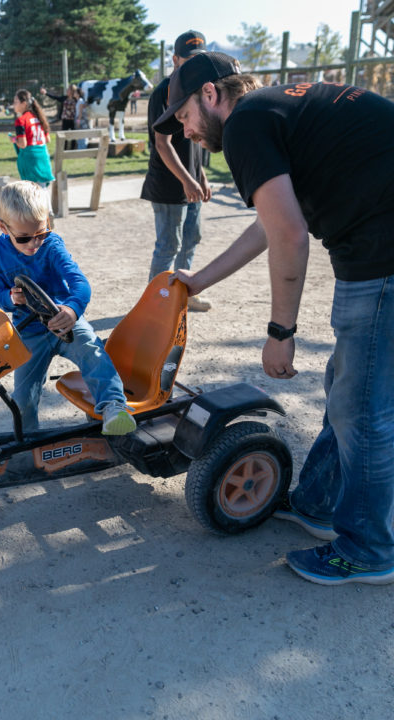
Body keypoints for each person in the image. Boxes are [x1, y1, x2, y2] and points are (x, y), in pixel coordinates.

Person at [154, 51, 394, 585]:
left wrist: (280, 332)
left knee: (365, 411)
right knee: (351, 389)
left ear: (211, 95)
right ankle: (317, 503)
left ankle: (369, 549)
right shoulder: (271, 113)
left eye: (185, 116)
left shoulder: (244, 126)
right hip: (377, 243)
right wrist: (198, 280)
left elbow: (288, 233)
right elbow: (273, 223)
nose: (186, 131)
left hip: (383, 254)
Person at [0, 180, 136, 436]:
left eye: (41, 233)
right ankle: (28, 439)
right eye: (24, 238)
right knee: (23, 394)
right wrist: (11, 298)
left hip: (65, 320)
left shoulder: (53, 245)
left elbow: (81, 284)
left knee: (92, 350)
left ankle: (113, 406)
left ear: (48, 222)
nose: (34, 244)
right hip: (30, 331)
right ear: (3, 227)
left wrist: (72, 310)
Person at [142, 30, 212, 312]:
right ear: (175, 59)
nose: (194, 65)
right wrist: (187, 179)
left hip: (191, 180)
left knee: (192, 237)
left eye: (199, 60)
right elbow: (163, 143)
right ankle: (153, 304)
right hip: (170, 185)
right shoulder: (164, 92)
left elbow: (193, 142)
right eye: (188, 60)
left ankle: (184, 293)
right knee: (169, 245)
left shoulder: (197, 89)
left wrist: (201, 175)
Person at [9, 89, 54, 188]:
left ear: (24, 103)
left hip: (30, 162)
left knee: (32, 194)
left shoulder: (21, 120)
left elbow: (23, 144)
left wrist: (13, 139)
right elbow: (47, 139)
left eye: (16, 102)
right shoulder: (39, 117)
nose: (13, 104)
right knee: (43, 193)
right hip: (43, 158)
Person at [40, 84, 78, 149]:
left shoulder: (76, 99)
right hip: (65, 119)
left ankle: (73, 148)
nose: (67, 90)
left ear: (72, 91)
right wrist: (46, 93)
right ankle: (64, 148)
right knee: (64, 134)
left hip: (73, 120)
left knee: (73, 134)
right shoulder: (64, 98)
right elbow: (55, 97)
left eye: (68, 89)